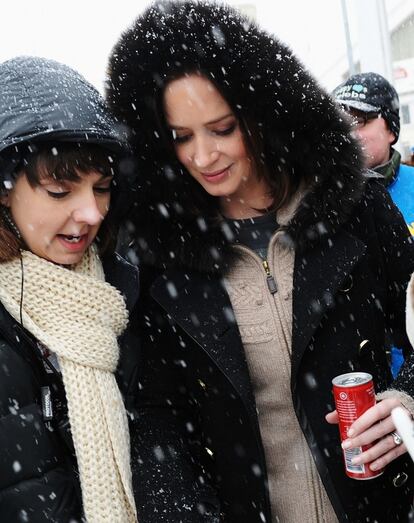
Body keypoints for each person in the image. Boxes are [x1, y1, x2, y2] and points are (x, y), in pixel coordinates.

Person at [107, 2, 414, 522]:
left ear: (263, 115)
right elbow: (157, 417)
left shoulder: (355, 211)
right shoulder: (160, 258)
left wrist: (407, 399)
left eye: (222, 128)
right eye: (182, 137)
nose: (203, 156)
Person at [0, 56, 139, 522]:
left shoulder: (126, 289)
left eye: (101, 188)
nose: (92, 214)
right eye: (61, 192)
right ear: (4, 189)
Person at [334, 72, 414, 378]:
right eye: (342, 122)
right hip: (362, 383)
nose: (350, 132)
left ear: (391, 130)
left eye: (362, 121)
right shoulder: (324, 206)